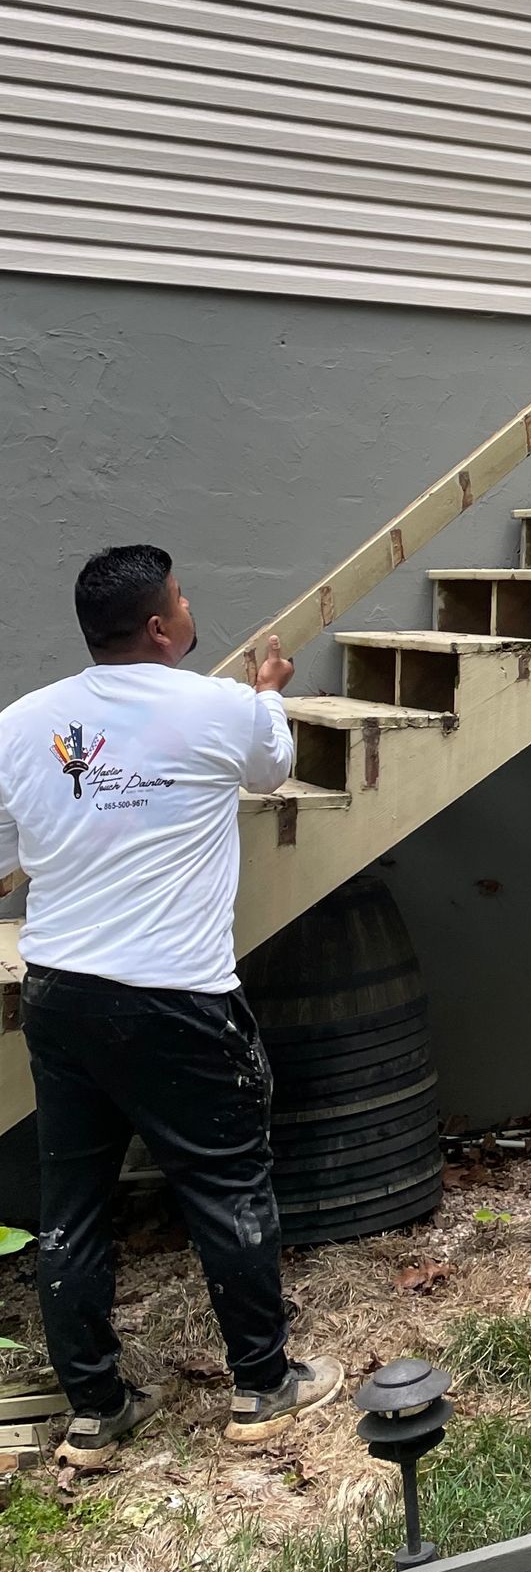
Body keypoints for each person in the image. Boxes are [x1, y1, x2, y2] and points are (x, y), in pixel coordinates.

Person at [0, 546, 344, 1470]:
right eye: (183, 598)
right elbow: (272, 766)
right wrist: (270, 688)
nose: (190, 608)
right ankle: (264, 1386)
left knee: (71, 1206)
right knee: (227, 1185)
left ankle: (96, 1409)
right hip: (176, 998)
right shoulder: (218, 707)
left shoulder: (23, 723)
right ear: (161, 626)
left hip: (62, 994)